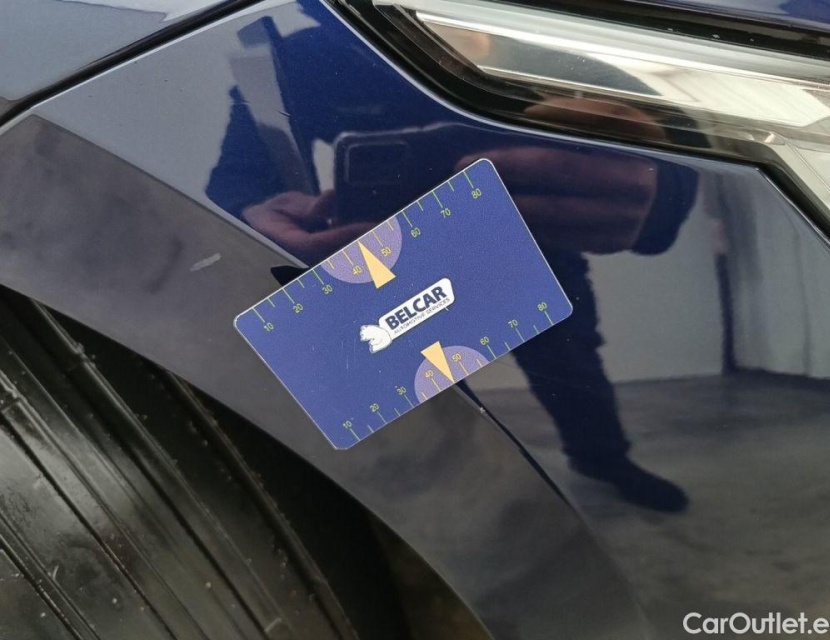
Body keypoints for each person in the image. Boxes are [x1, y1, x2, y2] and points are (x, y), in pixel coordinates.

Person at [207, 6, 699, 512]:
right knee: (437, 398)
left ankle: (603, 460)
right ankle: (472, 488)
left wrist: (661, 189)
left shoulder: (534, 39)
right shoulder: (304, 57)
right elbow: (238, 179)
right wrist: (255, 215)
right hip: (404, 256)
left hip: (526, 242)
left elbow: (653, 129)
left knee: (571, 361)